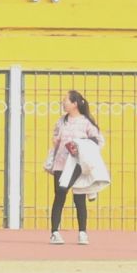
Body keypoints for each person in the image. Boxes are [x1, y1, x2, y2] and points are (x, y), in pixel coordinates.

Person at [44, 88, 108, 246]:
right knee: (60, 194)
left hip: (78, 165)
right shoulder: (61, 121)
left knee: (79, 198)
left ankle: (82, 232)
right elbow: (56, 138)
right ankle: (54, 232)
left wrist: (80, 145)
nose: (63, 103)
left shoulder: (86, 122)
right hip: (61, 163)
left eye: (66, 100)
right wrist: (55, 143)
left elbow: (99, 141)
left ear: (75, 104)